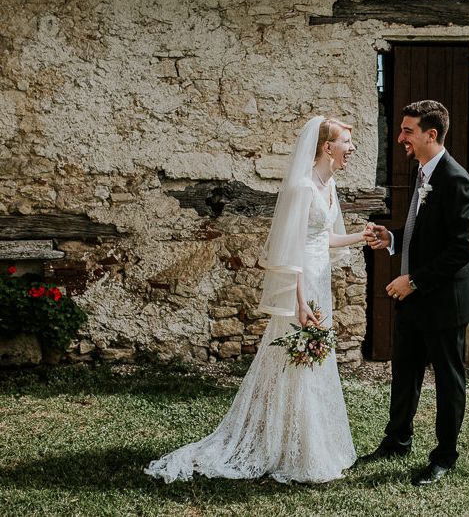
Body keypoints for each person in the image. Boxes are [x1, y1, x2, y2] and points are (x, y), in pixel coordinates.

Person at [146, 116, 368, 484]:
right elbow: (291, 249)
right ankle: (290, 448)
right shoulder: (301, 188)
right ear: (327, 147)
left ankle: (307, 445)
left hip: (319, 282)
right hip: (301, 287)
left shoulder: (328, 187)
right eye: (347, 141)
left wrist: (362, 235)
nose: (352, 148)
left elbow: (324, 240)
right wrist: (298, 302)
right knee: (294, 358)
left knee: (312, 360)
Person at [363, 100, 469, 486]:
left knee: (448, 380)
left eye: (407, 131)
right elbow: (428, 235)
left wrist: (413, 281)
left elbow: (463, 247)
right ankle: (397, 439)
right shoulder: (422, 173)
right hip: (415, 297)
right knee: (405, 371)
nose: (400, 137)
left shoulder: (455, 180)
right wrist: (394, 239)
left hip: (444, 299)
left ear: (431, 135)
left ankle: (444, 456)